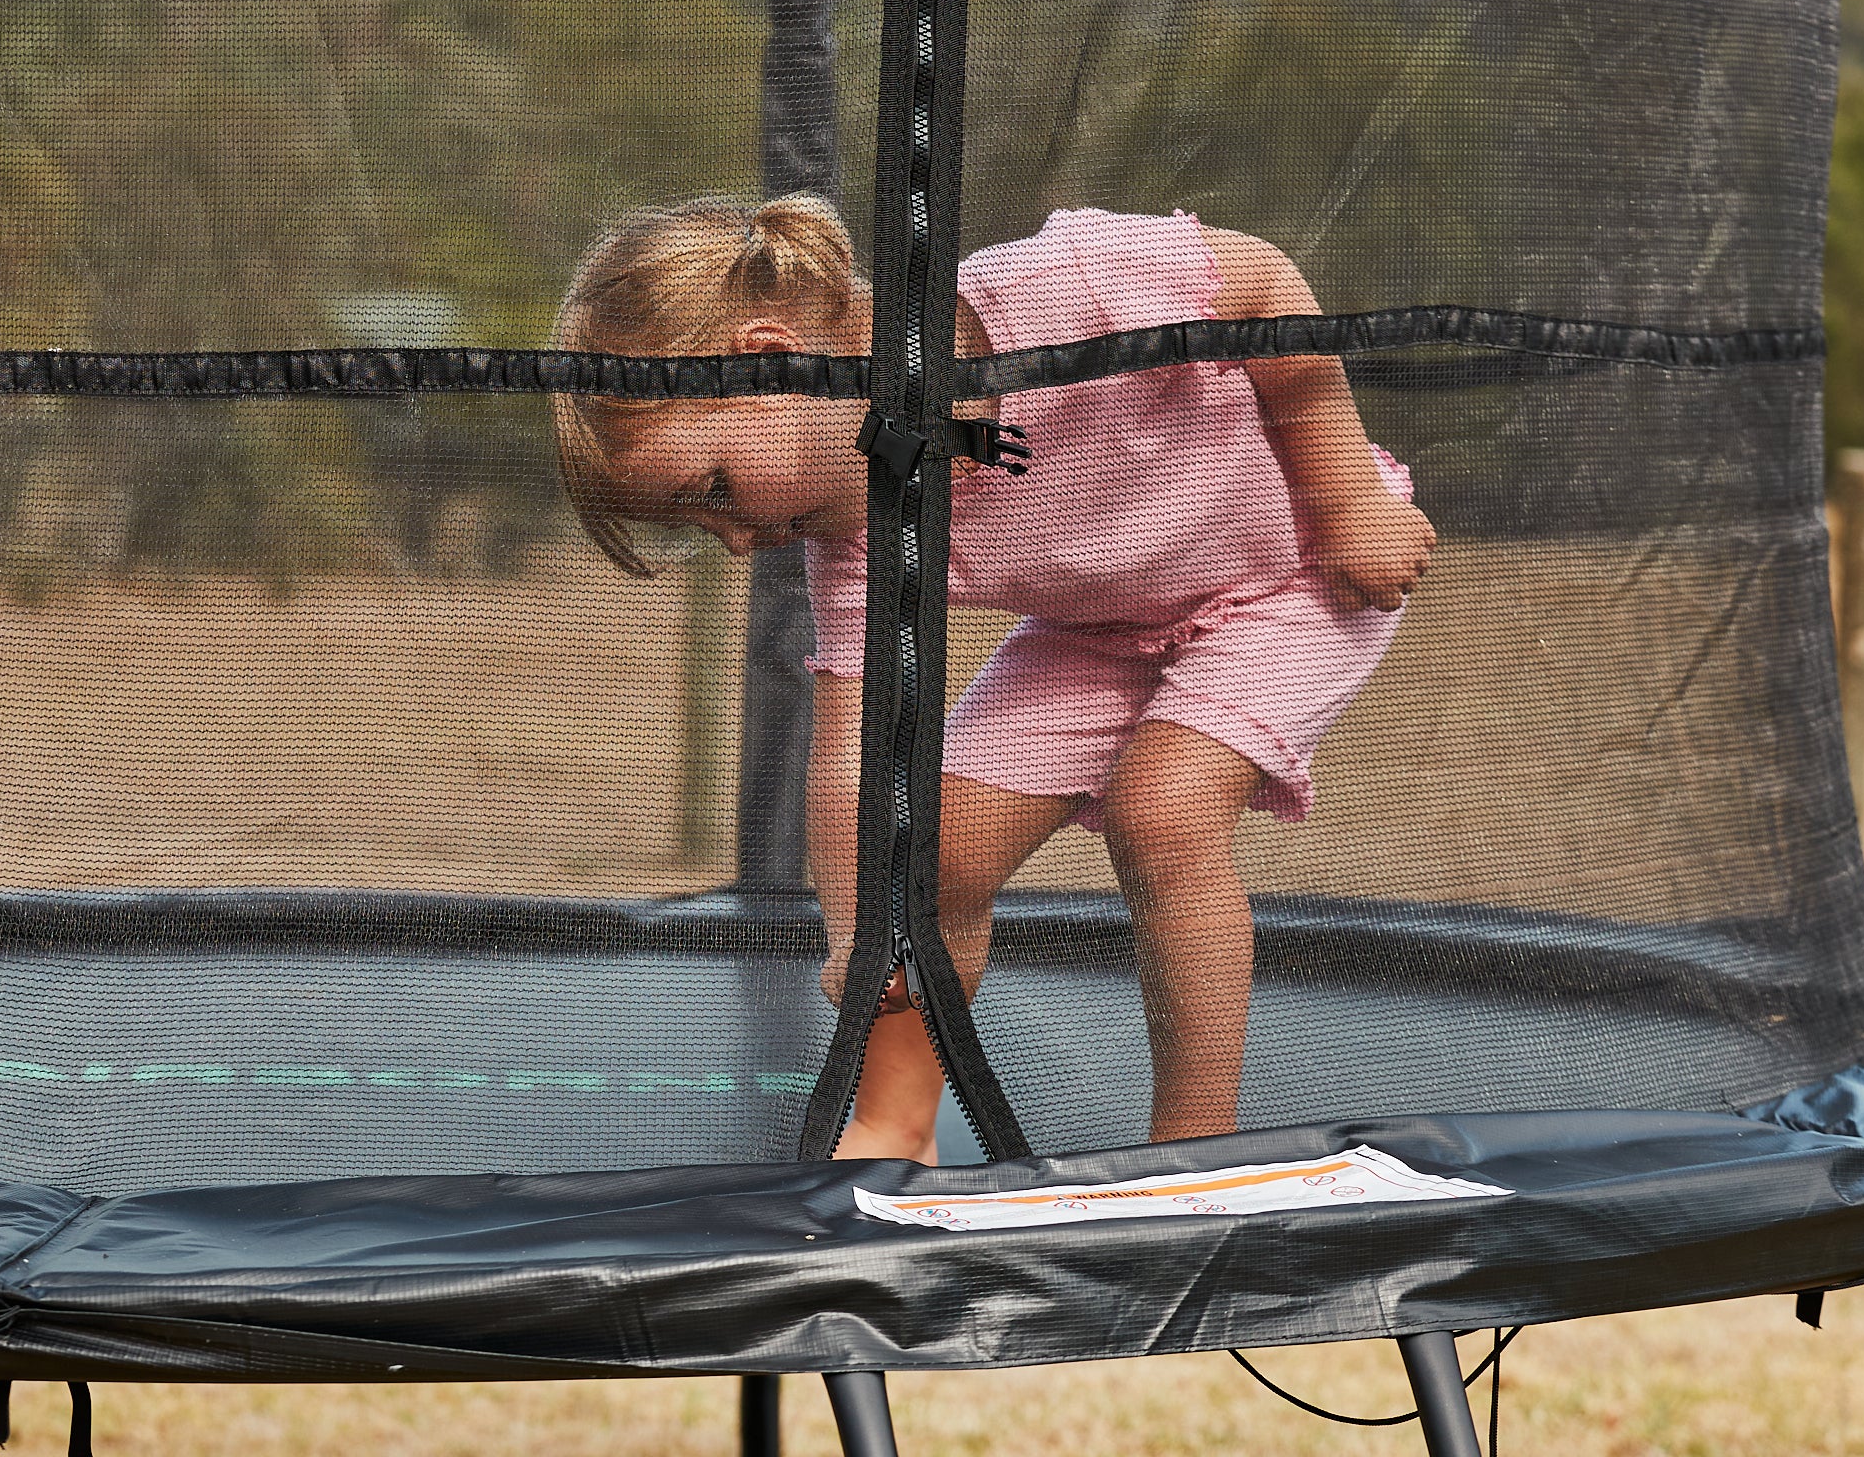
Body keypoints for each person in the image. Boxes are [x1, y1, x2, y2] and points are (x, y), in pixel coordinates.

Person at [552, 195, 1434, 1158]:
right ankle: (894, 1127)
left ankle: (1195, 1149)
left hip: (1296, 572)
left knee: (1163, 812)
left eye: (713, 491)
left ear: (772, 362)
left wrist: (1344, 486)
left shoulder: (1049, 294)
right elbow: (854, 749)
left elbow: (1262, 282)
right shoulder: (853, 531)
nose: (732, 541)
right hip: (1100, 629)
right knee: (930, 863)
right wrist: (859, 929)